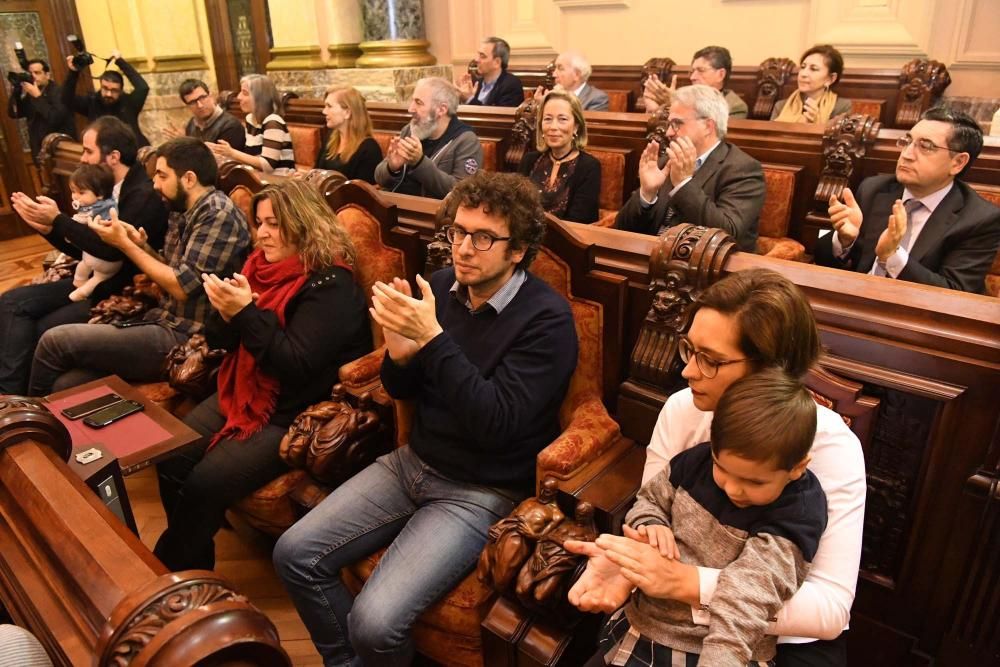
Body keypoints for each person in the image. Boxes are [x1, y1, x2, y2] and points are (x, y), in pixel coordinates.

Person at [273, 171, 579, 665]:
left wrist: (433, 339)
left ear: (517, 249)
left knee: (374, 623)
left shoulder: (547, 319)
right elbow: (402, 390)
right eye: (458, 232)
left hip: (481, 489)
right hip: (413, 461)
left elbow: (496, 423)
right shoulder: (441, 286)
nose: (463, 248)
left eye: (483, 238)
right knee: (294, 554)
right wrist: (399, 354)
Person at [567, 269, 866, 667]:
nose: (689, 370)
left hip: (777, 637)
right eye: (689, 349)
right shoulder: (682, 408)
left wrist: (689, 585)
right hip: (664, 618)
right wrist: (629, 560)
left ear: (771, 370)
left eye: (711, 360)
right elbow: (654, 508)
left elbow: (829, 610)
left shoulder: (831, 446)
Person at [153, 180, 372, 571]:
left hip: (290, 408)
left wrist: (246, 314)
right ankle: (194, 566)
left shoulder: (330, 286)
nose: (263, 233)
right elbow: (223, 342)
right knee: (169, 456)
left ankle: (171, 572)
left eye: (275, 224)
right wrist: (227, 313)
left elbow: (294, 364)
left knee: (203, 483)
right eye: (259, 222)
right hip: (245, 389)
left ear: (303, 225)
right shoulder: (259, 267)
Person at [586, 369, 827, 666]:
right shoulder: (698, 459)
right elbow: (649, 499)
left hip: (715, 650)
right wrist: (650, 523)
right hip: (643, 624)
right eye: (721, 469)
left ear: (797, 467)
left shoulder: (797, 511)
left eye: (754, 482)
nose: (732, 488)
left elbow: (748, 596)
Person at [28, 137, 250, 395]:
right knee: (68, 383)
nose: (155, 184)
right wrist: (141, 246)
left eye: (161, 175)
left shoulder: (217, 213)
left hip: (186, 336)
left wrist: (126, 245)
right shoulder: (183, 210)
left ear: (189, 179)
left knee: (55, 341)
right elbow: (175, 271)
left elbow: (181, 287)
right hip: (164, 318)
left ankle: (26, 426)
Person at [1, 117, 168, 395]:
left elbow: (111, 252)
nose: (83, 158)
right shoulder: (107, 189)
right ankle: (10, 400)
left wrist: (58, 220)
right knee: (11, 303)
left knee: (36, 323)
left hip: (118, 290)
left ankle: (14, 401)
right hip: (94, 279)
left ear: (112, 157)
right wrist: (49, 229)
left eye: (88, 151)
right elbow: (87, 250)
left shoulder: (142, 194)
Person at [816, 107, 1000, 293]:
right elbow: (821, 258)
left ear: (958, 162)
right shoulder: (873, 189)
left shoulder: (980, 219)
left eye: (926, 146)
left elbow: (955, 293)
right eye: (907, 141)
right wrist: (843, 241)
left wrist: (892, 256)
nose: (907, 154)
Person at [614, 85, 765, 252]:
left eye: (677, 123)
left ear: (708, 126)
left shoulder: (743, 169)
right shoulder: (666, 162)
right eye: (669, 124)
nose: (669, 133)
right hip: (654, 258)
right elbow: (621, 229)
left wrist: (683, 184)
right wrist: (646, 193)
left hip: (706, 270)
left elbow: (727, 233)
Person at [374, 77, 483, 199]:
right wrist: (392, 167)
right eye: (412, 101)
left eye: (418, 103)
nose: (411, 109)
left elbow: (463, 192)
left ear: (441, 110)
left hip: (431, 214)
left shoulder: (466, 141)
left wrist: (419, 163)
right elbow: (379, 178)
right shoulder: (410, 130)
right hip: (396, 207)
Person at [517, 89, 601, 223]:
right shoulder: (529, 160)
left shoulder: (589, 166)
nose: (553, 127)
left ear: (576, 127)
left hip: (567, 240)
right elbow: (515, 208)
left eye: (562, 119)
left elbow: (580, 220)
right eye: (548, 119)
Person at [62, 48, 150, 147]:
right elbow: (67, 99)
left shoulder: (129, 102)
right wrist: (73, 72)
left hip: (133, 153)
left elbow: (143, 87)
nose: (108, 94)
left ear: (121, 91)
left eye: (114, 90)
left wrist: (120, 61)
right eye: (105, 88)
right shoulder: (92, 102)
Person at [208, 74, 294, 173]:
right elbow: (250, 158)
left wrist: (232, 153)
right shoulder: (250, 119)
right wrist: (220, 153)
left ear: (259, 98)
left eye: (245, 93)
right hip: (257, 178)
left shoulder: (273, 122)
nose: (239, 97)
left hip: (278, 183)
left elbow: (268, 165)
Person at [643, 46, 748, 119]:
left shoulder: (735, 107)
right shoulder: (682, 95)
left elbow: (711, 137)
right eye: (692, 72)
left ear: (720, 74)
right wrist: (653, 111)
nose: (693, 77)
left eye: (701, 70)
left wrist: (674, 104)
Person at [67, 164, 119, 302]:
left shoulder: (98, 209)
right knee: (84, 266)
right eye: (73, 191)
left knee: (99, 277)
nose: (75, 197)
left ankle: (82, 293)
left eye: (81, 192)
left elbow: (76, 225)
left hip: (105, 258)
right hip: (92, 255)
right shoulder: (102, 203)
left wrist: (66, 228)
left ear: (100, 194)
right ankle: (79, 284)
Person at [6, 58, 76, 160]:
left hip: (60, 150)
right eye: (30, 73)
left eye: (37, 73)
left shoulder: (59, 92)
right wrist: (16, 92)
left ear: (47, 75)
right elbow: (13, 113)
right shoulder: (31, 95)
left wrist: (38, 97)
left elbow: (55, 118)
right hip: (39, 151)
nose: (33, 76)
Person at [315, 86, 383, 183]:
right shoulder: (330, 138)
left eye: (329, 106)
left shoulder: (369, 148)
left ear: (347, 112)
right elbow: (316, 172)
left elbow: (363, 192)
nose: (324, 111)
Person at [772, 45, 851, 124]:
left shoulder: (841, 107)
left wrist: (814, 124)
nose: (803, 74)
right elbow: (769, 135)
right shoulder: (781, 106)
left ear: (831, 79)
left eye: (813, 69)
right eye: (803, 67)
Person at [168, 78, 246, 150]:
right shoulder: (192, 123)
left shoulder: (231, 125)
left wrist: (185, 143)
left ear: (211, 96)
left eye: (202, 98)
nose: (200, 105)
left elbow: (222, 161)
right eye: (193, 102)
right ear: (188, 107)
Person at [457, 37, 525, 107]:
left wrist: (469, 99)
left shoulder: (511, 85)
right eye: (478, 55)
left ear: (497, 62)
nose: (476, 59)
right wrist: (460, 98)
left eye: (482, 56)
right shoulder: (475, 82)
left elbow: (496, 116)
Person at [536, 51, 609, 112]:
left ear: (577, 75)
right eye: (555, 69)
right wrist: (544, 104)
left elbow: (585, 127)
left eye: (560, 69)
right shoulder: (553, 95)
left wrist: (550, 105)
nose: (554, 74)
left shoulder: (597, 98)